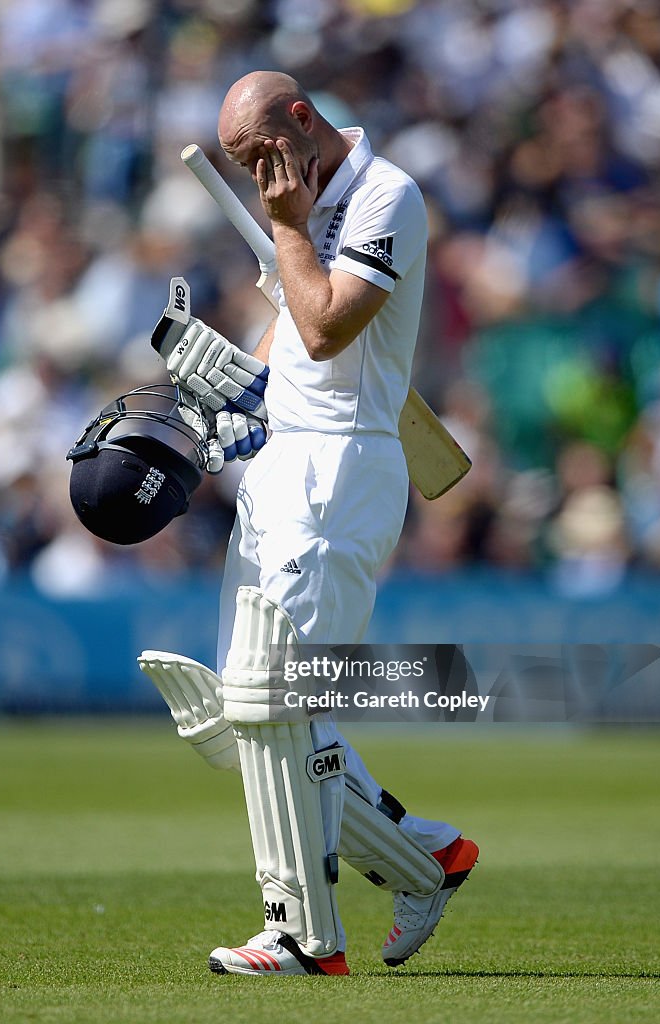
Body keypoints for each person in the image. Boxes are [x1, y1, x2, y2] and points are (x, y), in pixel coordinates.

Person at [142, 70, 479, 977]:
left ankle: (301, 935)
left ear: (301, 120)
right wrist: (219, 393)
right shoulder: (297, 206)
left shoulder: (385, 195)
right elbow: (290, 339)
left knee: (273, 704)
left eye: (263, 157)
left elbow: (328, 326)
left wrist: (288, 233)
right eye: (245, 168)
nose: (260, 179)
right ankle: (428, 859)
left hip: (340, 468)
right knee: (239, 720)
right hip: (278, 465)